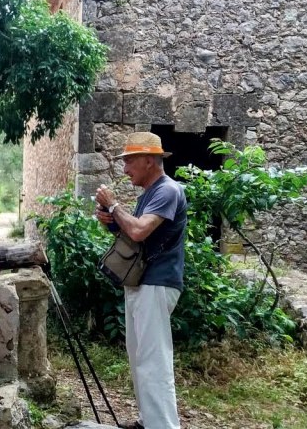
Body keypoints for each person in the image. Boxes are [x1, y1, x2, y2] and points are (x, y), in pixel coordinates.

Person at [94, 132, 187, 429]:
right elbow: (135, 237)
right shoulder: (149, 193)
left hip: (156, 284)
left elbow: (138, 232)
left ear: (149, 160)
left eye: (130, 161)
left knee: (153, 362)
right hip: (142, 283)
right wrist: (112, 223)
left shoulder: (167, 191)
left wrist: (113, 207)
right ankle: (150, 421)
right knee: (139, 360)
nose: (125, 169)